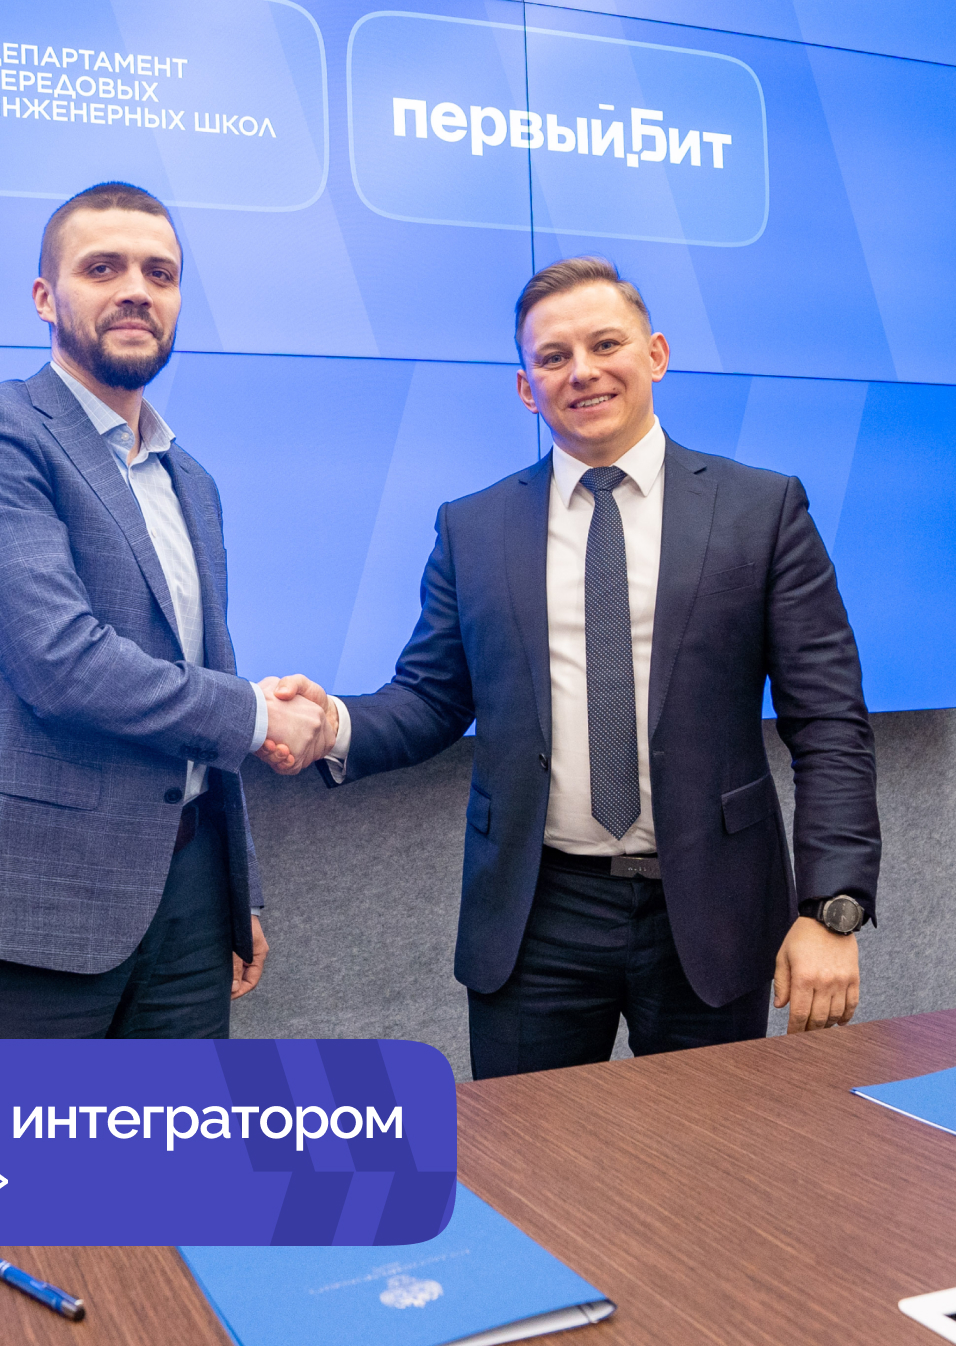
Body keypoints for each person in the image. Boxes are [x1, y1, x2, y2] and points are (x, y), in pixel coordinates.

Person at [263, 257, 881, 1077]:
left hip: (713, 908)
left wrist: (831, 909)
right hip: (536, 915)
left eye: (605, 344)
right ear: (528, 389)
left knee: (708, 1151)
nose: (582, 371)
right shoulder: (474, 528)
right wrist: (331, 725)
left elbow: (829, 722)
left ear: (656, 355)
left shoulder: (760, 511)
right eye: (553, 357)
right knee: (531, 1153)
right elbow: (430, 698)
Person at [0, 180, 332, 1039]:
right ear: (45, 297)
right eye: (102, 268)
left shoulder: (192, 480)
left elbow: (200, 674)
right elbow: (62, 664)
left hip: (189, 903)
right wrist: (261, 716)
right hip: (35, 905)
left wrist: (236, 891)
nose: (137, 290)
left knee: (181, 1136)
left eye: (160, 274)